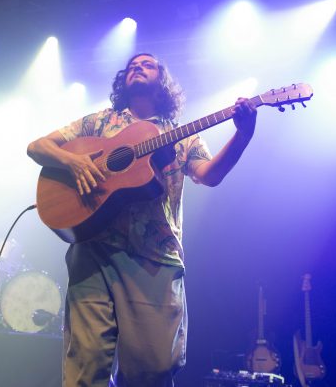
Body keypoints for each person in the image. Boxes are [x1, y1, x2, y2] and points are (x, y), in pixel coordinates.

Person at [27, 53, 257, 387]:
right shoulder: (98, 123)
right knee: (85, 364)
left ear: (162, 80)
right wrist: (73, 163)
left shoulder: (181, 135)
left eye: (148, 64)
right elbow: (38, 147)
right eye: (133, 65)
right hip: (93, 250)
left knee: (154, 367)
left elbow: (209, 175)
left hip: (154, 257)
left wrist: (242, 136)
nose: (137, 66)